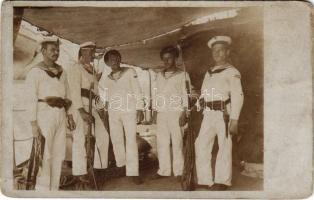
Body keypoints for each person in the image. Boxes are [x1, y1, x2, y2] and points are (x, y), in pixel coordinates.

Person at [25, 36, 76, 190]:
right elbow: (29, 99)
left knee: (59, 154)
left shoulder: (62, 71)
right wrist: (33, 124)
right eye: (52, 50)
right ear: (43, 51)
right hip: (44, 115)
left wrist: (70, 115)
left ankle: (54, 190)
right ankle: (41, 190)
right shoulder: (35, 72)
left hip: (60, 114)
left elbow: (68, 95)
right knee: (44, 155)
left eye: (58, 50)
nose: (56, 53)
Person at [195, 36, 244, 190]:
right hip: (208, 113)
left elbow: (238, 95)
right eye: (214, 51)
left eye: (221, 50)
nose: (217, 53)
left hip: (224, 114)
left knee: (224, 146)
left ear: (227, 52)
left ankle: (222, 181)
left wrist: (235, 119)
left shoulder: (232, 72)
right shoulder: (209, 72)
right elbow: (203, 94)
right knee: (201, 144)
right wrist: (194, 108)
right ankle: (205, 180)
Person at [98, 49, 144, 185]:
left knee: (130, 140)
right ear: (107, 63)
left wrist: (140, 108)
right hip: (113, 112)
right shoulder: (106, 79)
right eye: (111, 59)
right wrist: (104, 111)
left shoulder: (130, 72)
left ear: (120, 58)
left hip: (128, 110)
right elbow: (105, 97)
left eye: (116, 58)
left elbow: (137, 90)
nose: (114, 61)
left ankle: (133, 172)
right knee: (116, 140)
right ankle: (122, 166)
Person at [67, 42, 109, 185]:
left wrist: (101, 109)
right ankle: (80, 173)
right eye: (91, 52)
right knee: (79, 139)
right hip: (80, 108)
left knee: (103, 135)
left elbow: (96, 92)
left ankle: (99, 167)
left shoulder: (91, 70)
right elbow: (73, 91)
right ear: (83, 52)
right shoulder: (75, 68)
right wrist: (81, 112)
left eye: (94, 51)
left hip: (93, 107)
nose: (93, 54)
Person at [150, 46, 190, 181]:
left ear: (175, 58)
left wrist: (185, 112)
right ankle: (164, 170)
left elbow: (186, 94)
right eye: (165, 59)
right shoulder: (159, 75)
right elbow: (156, 94)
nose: (167, 61)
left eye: (170, 58)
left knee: (177, 142)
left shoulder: (183, 74)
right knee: (162, 142)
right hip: (162, 113)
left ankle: (179, 171)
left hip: (176, 112)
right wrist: (155, 111)